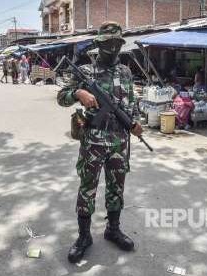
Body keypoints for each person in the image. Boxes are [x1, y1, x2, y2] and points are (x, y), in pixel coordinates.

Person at [57, 21, 143, 264]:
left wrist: (135, 123)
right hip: (93, 142)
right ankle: (84, 237)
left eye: (116, 43)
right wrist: (78, 93)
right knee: (87, 189)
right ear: (98, 44)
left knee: (116, 187)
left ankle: (112, 229)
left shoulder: (125, 72)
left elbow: (131, 104)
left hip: (119, 142)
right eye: (107, 43)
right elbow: (61, 97)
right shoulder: (85, 72)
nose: (113, 48)